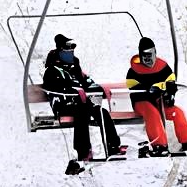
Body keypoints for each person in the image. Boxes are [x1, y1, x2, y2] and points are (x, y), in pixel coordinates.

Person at [42, 33, 125, 167]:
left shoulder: (75, 67)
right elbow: (51, 88)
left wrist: (94, 88)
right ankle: (83, 150)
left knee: (101, 112)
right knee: (82, 111)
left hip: (82, 102)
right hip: (64, 103)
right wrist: (70, 91)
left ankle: (113, 146)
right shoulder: (52, 70)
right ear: (60, 51)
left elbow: (86, 80)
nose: (70, 52)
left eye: (72, 49)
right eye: (67, 49)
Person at [125, 36, 187, 156]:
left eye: (150, 54)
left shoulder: (163, 67)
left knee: (177, 112)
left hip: (160, 101)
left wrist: (170, 94)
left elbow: (171, 82)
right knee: (152, 114)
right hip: (142, 102)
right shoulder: (134, 71)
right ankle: (159, 145)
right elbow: (133, 88)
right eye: (145, 55)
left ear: (155, 53)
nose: (148, 59)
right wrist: (149, 89)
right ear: (140, 55)